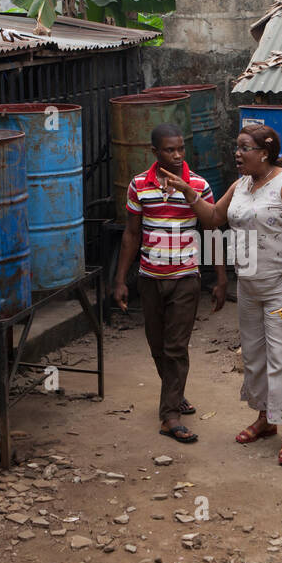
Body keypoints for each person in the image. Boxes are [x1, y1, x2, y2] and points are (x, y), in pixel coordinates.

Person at [161, 123, 282, 465]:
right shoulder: (241, 186)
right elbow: (214, 220)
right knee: (255, 356)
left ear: (264, 152)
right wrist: (188, 192)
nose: (237, 153)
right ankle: (265, 419)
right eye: (237, 147)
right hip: (249, 285)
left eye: (244, 148)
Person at [112, 123, 227, 444]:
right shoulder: (138, 186)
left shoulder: (198, 185)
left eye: (180, 149)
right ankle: (175, 394)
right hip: (149, 279)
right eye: (169, 150)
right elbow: (132, 234)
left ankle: (170, 416)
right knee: (157, 344)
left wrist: (220, 278)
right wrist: (120, 280)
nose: (177, 155)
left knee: (176, 347)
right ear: (155, 152)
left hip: (185, 279)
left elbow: (212, 230)